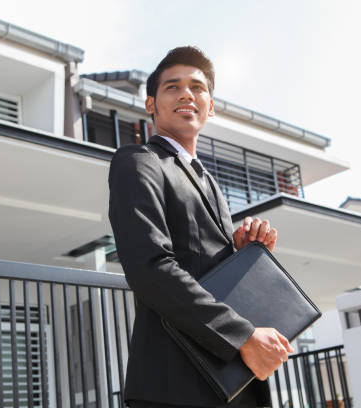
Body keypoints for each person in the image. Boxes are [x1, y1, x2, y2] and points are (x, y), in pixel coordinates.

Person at [108, 46, 293, 408]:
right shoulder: (139, 161)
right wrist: (242, 336)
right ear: (151, 105)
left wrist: (246, 257)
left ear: (211, 106)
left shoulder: (208, 182)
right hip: (176, 384)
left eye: (197, 87)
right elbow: (150, 268)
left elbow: (204, 269)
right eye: (172, 87)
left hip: (230, 381)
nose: (186, 94)